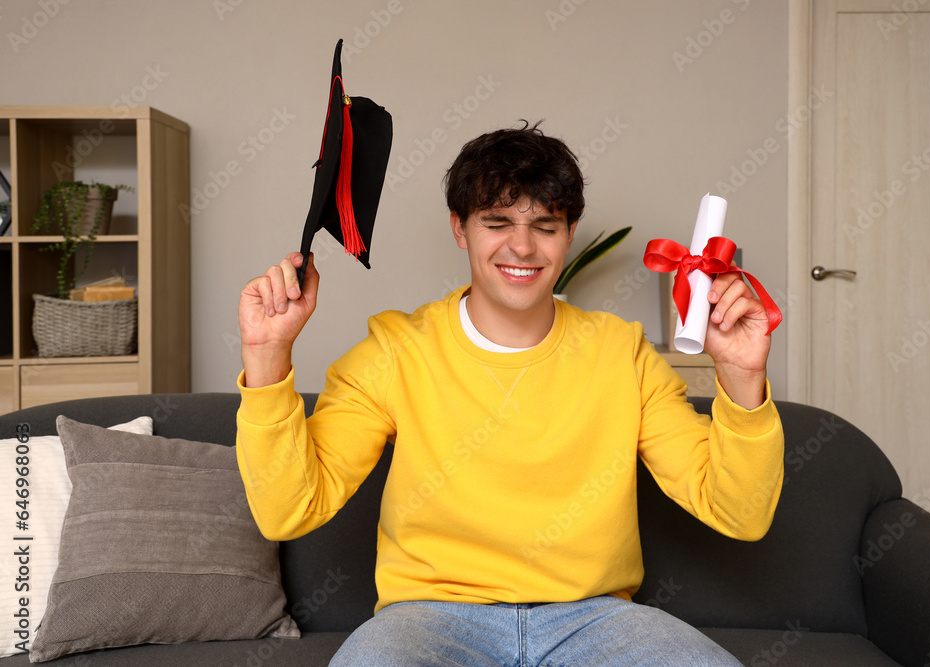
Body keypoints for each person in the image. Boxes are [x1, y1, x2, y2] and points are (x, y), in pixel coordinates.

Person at [236, 121, 783, 666]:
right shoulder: (395, 351)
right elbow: (289, 511)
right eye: (496, 222)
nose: (521, 246)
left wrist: (740, 375)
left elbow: (741, 513)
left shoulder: (624, 354)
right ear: (459, 228)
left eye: (545, 225)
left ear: (569, 233)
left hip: (594, 618)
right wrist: (266, 356)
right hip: (431, 617)